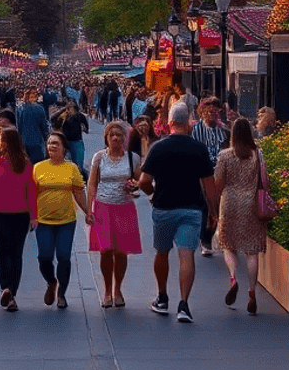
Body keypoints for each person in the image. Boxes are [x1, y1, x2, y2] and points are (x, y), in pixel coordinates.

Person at [138, 99, 218, 324]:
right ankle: (184, 304)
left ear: (170, 121)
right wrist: (213, 211)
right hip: (192, 209)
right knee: (186, 254)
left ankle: (162, 298)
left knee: (162, 252)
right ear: (189, 123)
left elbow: (144, 181)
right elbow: (209, 186)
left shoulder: (159, 147)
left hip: (164, 207)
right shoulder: (199, 149)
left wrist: (152, 196)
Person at [214, 117, 269, 315]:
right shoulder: (258, 155)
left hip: (229, 202)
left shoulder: (225, 155)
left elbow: (218, 182)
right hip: (251, 204)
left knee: (229, 246)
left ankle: (233, 278)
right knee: (252, 251)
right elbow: (266, 182)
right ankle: (252, 291)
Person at [87, 121, 141, 308]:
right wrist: (88, 209)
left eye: (119, 135)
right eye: (112, 135)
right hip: (103, 207)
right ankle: (107, 290)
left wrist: (134, 184)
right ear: (106, 138)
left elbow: (139, 179)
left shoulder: (132, 158)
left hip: (124, 208)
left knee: (120, 251)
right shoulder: (99, 157)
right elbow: (92, 184)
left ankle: (118, 289)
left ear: (124, 138)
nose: (116, 138)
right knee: (105, 250)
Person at [32, 131, 89, 310]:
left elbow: (79, 192)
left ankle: (62, 294)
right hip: (43, 221)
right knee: (44, 257)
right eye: (49, 143)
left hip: (66, 220)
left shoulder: (71, 168)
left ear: (64, 147)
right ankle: (51, 282)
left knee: (64, 257)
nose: (52, 146)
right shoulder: (38, 167)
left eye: (56, 143)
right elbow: (31, 194)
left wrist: (88, 212)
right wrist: (31, 216)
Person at [0, 127, 37, 311]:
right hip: (15, 214)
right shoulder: (25, 163)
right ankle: (11, 292)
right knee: (14, 253)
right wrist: (33, 216)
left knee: (5, 251)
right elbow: (30, 191)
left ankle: (6, 288)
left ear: (4, 142)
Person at [191, 97, 229, 257]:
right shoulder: (196, 130)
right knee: (206, 206)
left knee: (218, 205)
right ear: (203, 112)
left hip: (218, 171)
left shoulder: (224, 131)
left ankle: (210, 236)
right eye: (209, 112)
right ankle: (205, 240)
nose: (213, 115)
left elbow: (227, 149)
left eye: (216, 112)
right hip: (202, 172)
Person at [54, 98, 90, 174]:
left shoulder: (78, 116)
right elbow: (53, 119)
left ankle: (81, 181)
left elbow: (86, 128)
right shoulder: (64, 116)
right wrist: (62, 110)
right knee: (72, 166)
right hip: (68, 143)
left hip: (74, 143)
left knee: (76, 167)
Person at [17, 89, 50, 165]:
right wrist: (46, 139)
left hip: (25, 142)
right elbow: (44, 127)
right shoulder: (40, 108)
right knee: (38, 166)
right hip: (37, 142)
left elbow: (19, 127)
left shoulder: (20, 108)